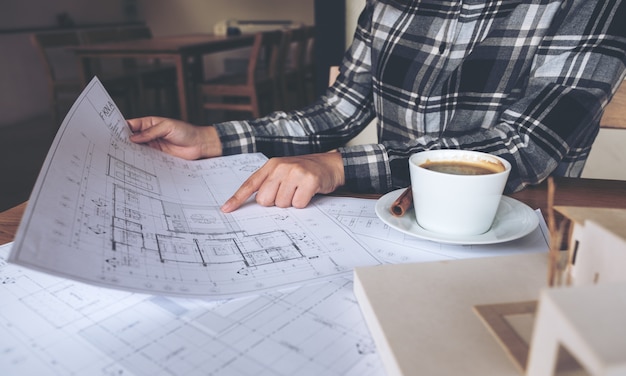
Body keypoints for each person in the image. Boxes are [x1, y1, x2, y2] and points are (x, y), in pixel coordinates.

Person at [128, 0, 626, 213]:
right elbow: (338, 113)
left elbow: (526, 146)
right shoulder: (387, 4)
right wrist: (211, 139)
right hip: (387, 215)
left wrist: (336, 165)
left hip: (518, 220)